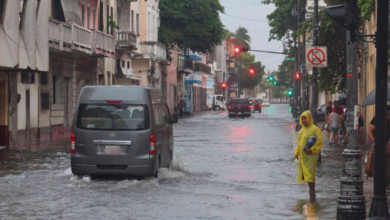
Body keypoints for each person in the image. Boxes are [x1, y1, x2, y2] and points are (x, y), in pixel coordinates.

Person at [295, 110, 324, 199]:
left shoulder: (315, 129)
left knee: (311, 175)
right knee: (307, 176)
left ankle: (312, 194)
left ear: (309, 118)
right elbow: (300, 143)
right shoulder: (302, 130)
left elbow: (319, 141)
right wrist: (296, 153)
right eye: (302, 118)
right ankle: (311, 195)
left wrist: (312, 149)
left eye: (305, 118)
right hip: (303, 156)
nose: (304, 120)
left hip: (311, 156)